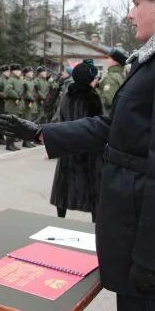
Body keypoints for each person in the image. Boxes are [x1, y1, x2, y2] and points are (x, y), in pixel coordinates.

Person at [0, 0, 155, 311]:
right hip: (135, 234)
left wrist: (152, 258)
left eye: (136, 3)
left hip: (150, 248)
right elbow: (112, 127)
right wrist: (44, 133)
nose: (130, 14)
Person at [50, 59, 103, 222]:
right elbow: (98, 125)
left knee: (64, 187)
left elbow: (61, 119)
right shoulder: (92, 97)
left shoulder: (67, 95)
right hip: (88, 149)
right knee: (93, 188)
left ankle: (60, 218)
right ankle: (95, 222)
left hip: (68, 145)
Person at [1, 64, 24, 151]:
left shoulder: (21, 81)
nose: (19, 72)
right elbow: (7, 90)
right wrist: (17, 96)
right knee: (11, 126)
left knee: (15, 126)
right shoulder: (11, 80)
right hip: (11, 106)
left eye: (19, 70)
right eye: (17, 70)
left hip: (18, 107)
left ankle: (12, 143)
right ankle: (9, 144)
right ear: (13, 71)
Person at [98, 47, 128, 114]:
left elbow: (108, 100)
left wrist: (95, 89)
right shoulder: (122, 75)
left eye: (109, 58)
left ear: (115, 61)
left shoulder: (111, 77)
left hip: (108, 116)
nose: (107, 60)